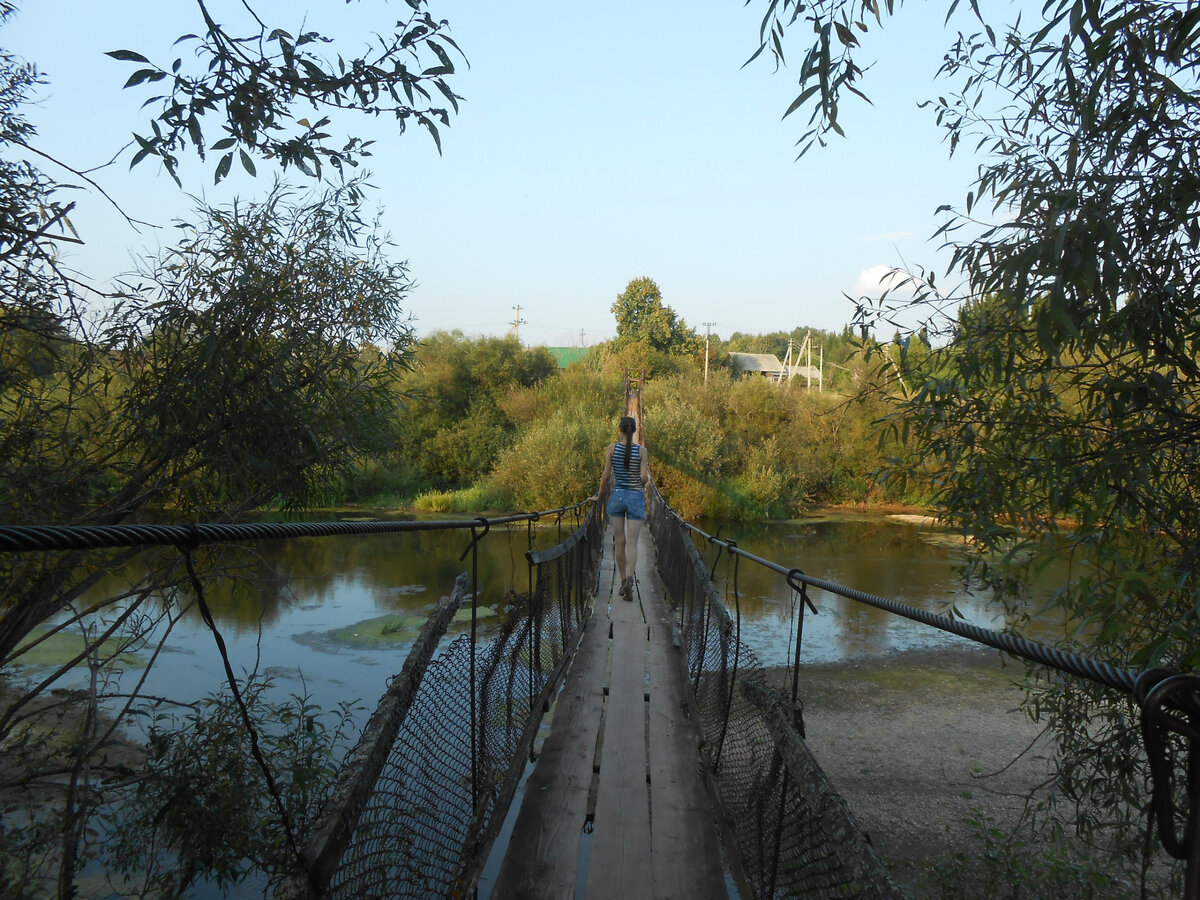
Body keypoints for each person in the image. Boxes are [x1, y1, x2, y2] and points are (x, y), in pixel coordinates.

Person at [591, 415, 649, 601]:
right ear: (634, 431)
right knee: (632, 542)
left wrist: (599, 496)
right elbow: (644, 478)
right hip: (635, 498)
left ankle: (623, 580)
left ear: (620, 430)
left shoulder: (611, 449)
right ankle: (630, 579)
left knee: (620, 542)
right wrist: (639, 481)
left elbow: (606, 475)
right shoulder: (642, 451)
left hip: (617, 497)